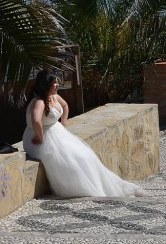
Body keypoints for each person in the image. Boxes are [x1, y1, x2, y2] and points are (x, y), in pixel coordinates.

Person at [22, 70, 147, 198]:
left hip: (56, 132)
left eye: (57, 83)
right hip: (38, 138)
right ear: (46, 85)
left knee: (86, 156)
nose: (57, 85)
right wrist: (41, 137)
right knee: (69, 160)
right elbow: (36, 120)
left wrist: (63, 122)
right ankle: (84, 188)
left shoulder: (53, 96)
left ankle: (103, 186)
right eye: (54, 83)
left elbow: (64, 106)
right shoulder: (40, 101)